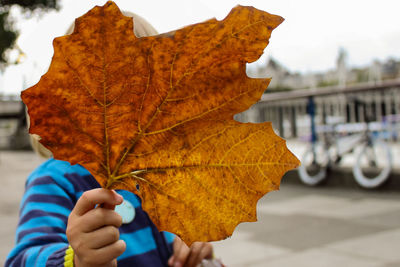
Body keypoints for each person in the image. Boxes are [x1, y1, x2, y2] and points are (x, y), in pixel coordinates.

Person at [6, 12, 223, 267]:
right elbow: (22, 259)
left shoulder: (159, 179)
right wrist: (76, 260)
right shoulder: (54, 181)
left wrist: (199, 250)